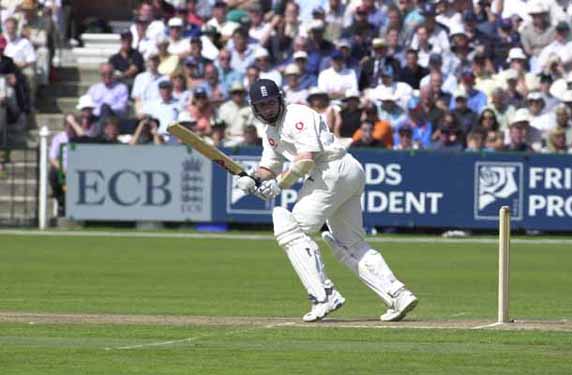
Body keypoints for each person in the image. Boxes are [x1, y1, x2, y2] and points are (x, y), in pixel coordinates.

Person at [236, 79, 417, 322]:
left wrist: (279, 185)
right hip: (344, 174)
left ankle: (324, 296)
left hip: (331, 170)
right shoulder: (270, 132)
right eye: (262, 105)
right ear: (254, 109)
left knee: (290, 227)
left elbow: (306, 160)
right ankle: (398, 294)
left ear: (280, 99)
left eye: (271, 102)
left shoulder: (297, 115)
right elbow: (269, 165)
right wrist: (253, 178)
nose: (268, 109)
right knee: (350, 244)